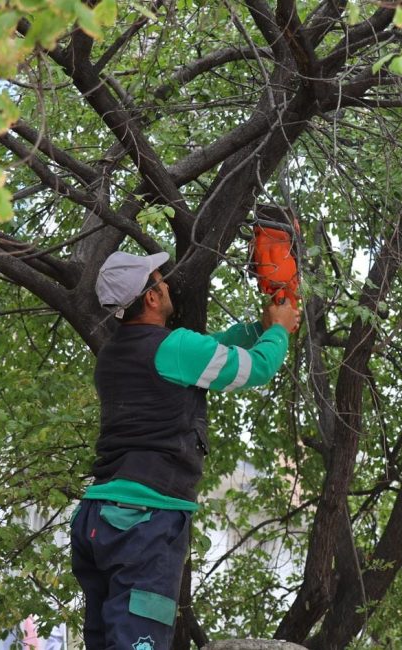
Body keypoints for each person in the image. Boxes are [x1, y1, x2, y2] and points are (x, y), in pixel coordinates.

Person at [71, 250, 300, 650]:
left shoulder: (114, 354)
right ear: (152, 299)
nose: (166, 284)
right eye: (160, 280)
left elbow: (206, 352)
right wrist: (278, 331)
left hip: (97, 519)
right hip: (144, 520)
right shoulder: (171, 349)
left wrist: (256, 328)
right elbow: (255, 369)